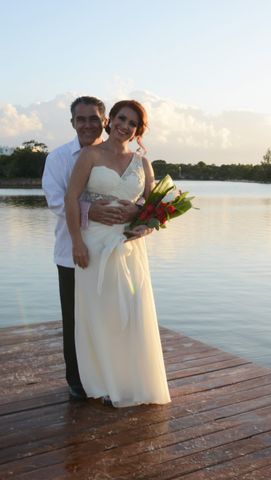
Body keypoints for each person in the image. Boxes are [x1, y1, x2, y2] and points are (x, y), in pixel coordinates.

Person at [64, 100, 171, 407]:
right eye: (122, 118)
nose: (125, 125)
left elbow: (154, 209)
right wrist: (76, 242)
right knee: (101, 314)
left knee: (130, 315)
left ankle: (131, 381)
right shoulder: (90, 155)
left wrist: (143, 225)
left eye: (133, 123)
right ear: (111, 120)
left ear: (138, 130)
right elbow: (70, 199)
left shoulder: (143, 163)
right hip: (94, 245)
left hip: (129, 248)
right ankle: (103, 382)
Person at [42, 96, 140, 401]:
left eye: (93, 119)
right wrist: (91, 213)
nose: (88, 125)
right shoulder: (58, 158)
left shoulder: (120, 154)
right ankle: (77, 381)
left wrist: (136, 213)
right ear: (72, 123)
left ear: (104, 121)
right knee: (75, 320)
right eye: (81, 119)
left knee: (111, 316)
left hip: (114, 251)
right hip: (74, 250)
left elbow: (138, 195)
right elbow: (57, 201)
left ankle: (109, 377)